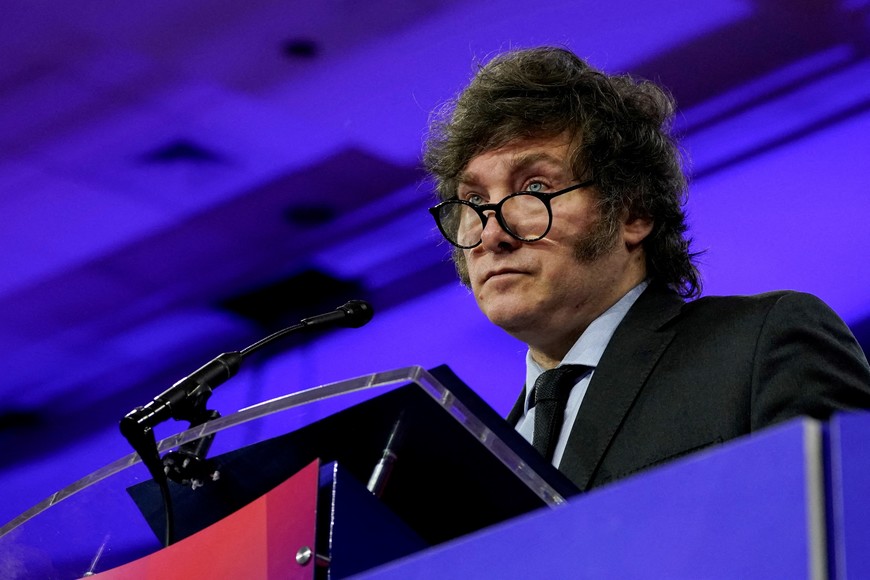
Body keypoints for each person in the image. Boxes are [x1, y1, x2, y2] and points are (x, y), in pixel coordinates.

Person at [423, 46, 870, 492]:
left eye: (535, 187)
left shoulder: (762, 346)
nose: (491, 233)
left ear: (633, 213)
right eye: (475, 201)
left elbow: (847, 537)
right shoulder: (487, 462)